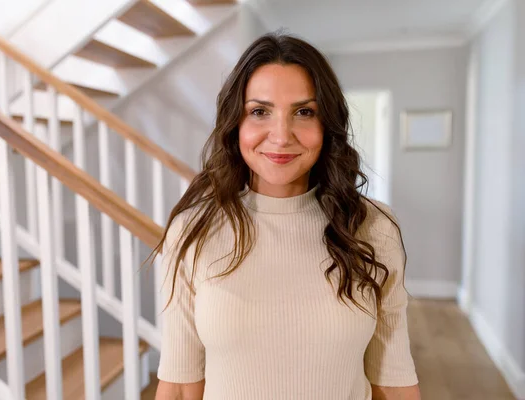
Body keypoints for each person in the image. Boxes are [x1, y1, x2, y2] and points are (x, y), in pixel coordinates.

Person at [153, 32, 421, 400]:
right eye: (259, 111)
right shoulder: (192, 231)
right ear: (236, 124)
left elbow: (392, 381)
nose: (281, 136)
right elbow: (182, 386)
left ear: (327, 126)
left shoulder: (373, 229)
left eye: (304, 112)